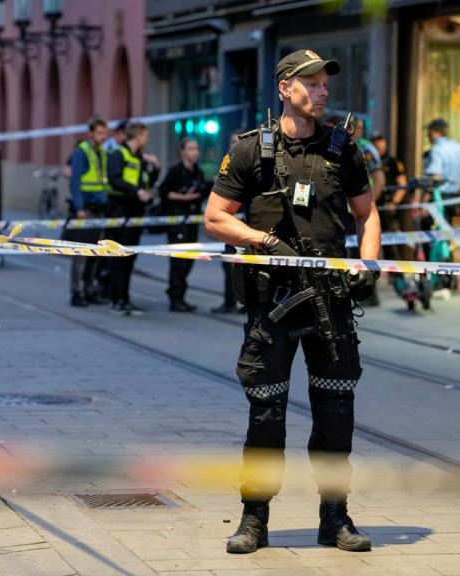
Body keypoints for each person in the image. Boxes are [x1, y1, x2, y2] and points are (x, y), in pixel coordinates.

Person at [204, 48, 381, 554]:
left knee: (336, 412)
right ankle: (254, 518)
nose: (323, 91)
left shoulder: (343, 148)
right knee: (266, 416)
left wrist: (367, 265)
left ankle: (336, 517)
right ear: (285, 88)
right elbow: (216, 217)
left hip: (332, 305)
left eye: (326, 83)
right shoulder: (249, 151)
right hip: (273, 304)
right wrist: (262, 242)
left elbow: (367, 214)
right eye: (313, 83)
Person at [106, 121, 157, 316]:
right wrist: (136, 191)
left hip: (135, 212)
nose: (147, 139)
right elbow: (114, 179)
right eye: (145, 136)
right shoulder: (118, 154)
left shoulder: (140, 157)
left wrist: (156, 167)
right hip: (119, 212)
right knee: (119, 258)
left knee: (130, 257)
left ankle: (125, 299)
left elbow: (147, 182)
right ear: (137, 136)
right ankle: (115, 299)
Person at [159, 137, 208, 312]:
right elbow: (164, 192)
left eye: (196, 149)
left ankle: (180, 295)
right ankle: (175, 297)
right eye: (191, 149)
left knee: (189, 259)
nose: (195, 153)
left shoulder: (198, 172)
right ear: (182, 152)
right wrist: (183, 198)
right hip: (177, 221)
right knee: (178, 260)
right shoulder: (175, 171)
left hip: (192, 221)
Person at [66, 116, 111, 307]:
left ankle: (89, 289)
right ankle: (76, 293)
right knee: (81, 254)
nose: (102, 136)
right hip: (87, 209)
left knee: (95, 253)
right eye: (99, 133)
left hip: (99, 208)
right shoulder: (81, 152)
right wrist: (79, 208)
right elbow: (75, 182)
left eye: (104, 133)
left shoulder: (100, 152)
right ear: (90, 133)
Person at [423, 118, 460, 299]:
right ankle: (449, 280)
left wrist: (425, 201)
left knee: (436, 241)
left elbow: (435, 177)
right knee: (446, 239)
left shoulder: (437, 150)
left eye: (429, 132)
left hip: (439, 199)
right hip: (453, 197)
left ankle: (440, 283)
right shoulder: (457, 147)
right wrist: (459, 179)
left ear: (435, 132)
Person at [212, 130, 245, 314]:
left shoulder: (250, 163)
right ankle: (229, 301)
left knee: (247, 264)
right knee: (228, 263)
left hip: (247, 223)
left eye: (238, 141)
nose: (235, 145)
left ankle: (245, 302)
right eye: (232, 141)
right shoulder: (226, 163)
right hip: (229, 223)